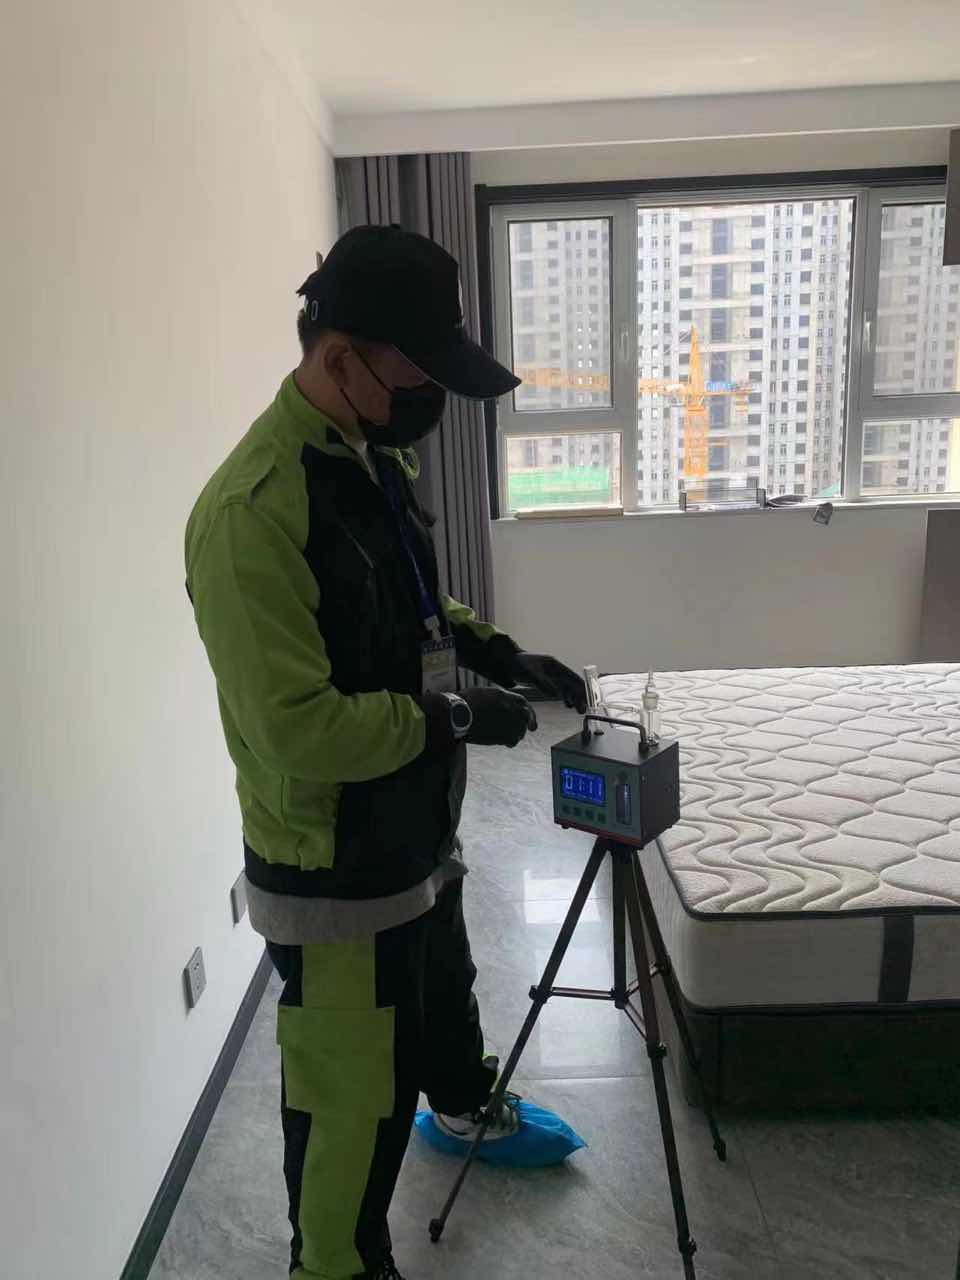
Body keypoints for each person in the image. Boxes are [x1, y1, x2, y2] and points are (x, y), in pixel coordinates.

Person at [185, 224, 586, 1280]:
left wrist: (493, 648)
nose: (430, 398)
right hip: (337, 862)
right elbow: (298, 728)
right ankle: (336, 1265)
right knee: (350, 1098)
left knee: (438, 997)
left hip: (411, 823)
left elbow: (412, 602)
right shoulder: (252, 512)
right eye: (418, 374)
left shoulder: (364, 454)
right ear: (339, 358)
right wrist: (453, 717)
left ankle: (458, 1104)